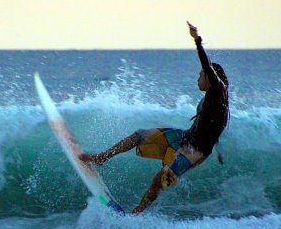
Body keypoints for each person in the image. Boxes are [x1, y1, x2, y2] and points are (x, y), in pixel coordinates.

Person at [80, 21, 230, 214]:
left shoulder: (218, 91)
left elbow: (207, 65)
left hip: (195, 152)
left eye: (201, 75)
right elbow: (215, 126)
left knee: (159, 181)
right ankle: (101, 158)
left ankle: (138, 211)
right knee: (140, 135)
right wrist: (219, 148)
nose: (198, 78)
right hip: (185, 138)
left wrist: (197, 40)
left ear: (210, 78)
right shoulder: (214, 98)